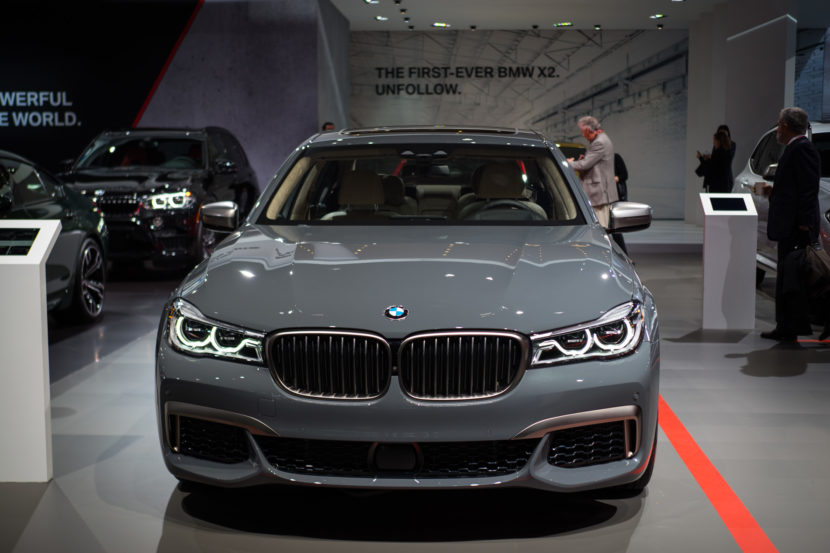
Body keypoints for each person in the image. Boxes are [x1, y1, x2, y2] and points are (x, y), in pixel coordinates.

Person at [755, 107, 821, 341]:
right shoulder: (796, 149)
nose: (777, 130)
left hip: (795, 228)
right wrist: (773, 191)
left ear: (785, 126)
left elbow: (808, 189)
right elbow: (795, 187)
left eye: (779, 124)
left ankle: (790, 326)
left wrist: (804, 224)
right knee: (788, 275)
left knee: (793, 277)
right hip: (791, 226)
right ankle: (788, 326)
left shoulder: (802, 149)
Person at [567, 115, 618, 228]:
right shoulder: (602, 139)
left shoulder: (599, 142)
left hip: (598, 192)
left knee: (600, 227)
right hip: (599, 192)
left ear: (587, 130)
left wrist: (566, 163)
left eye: (582, 132)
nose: (582, 135)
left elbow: (585, 165)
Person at [612, 152, 629, 254]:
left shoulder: (615, 157)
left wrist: (611, 180)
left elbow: (624, 175)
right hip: (596, 198)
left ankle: (624, 256)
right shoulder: (592, 159)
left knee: (614, 229)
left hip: (614, 197)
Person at [717, 124, 737, 189]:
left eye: (724, 134)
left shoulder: (732, 144)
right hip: (716, 177)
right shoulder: (716, 145)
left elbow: (729, 158)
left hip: (727, 178)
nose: (722, 137)